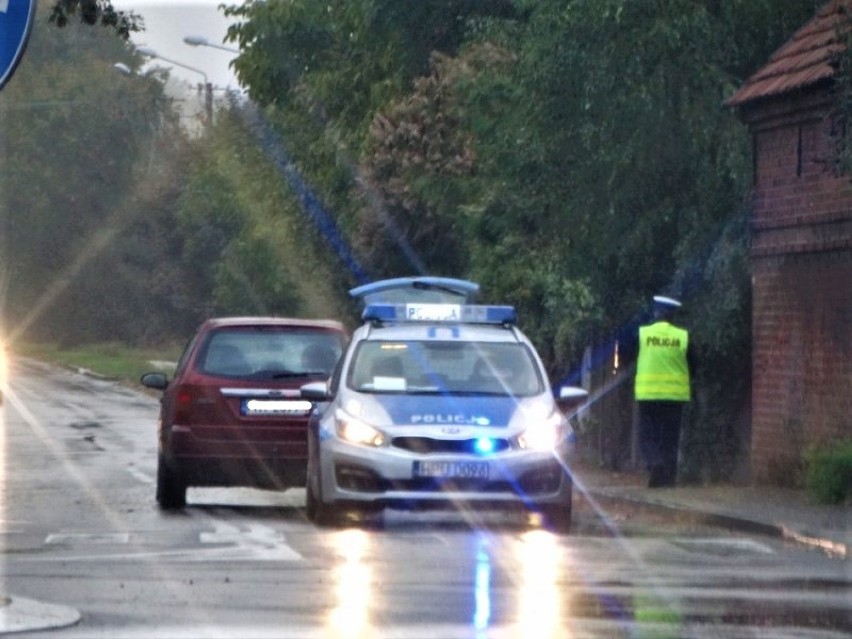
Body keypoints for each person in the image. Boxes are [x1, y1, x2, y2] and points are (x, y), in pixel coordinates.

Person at [633, 295, 692, 488]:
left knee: (648, 434)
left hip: (648, 395)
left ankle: (654, 463)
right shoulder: (682, 336)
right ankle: (668, 479)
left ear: (656, 313)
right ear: (672, 315)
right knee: (670, 438)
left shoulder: (643, 334)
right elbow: (694, 363)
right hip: (674, 396)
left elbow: (629, 356)